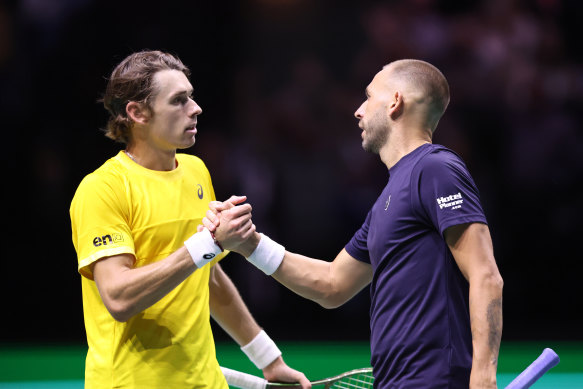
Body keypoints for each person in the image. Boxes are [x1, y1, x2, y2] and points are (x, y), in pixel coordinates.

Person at [204, 59, 504, 388]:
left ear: (395, 101)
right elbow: (332, 285)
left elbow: (485, 275)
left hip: (434, 380)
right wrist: (249, 244)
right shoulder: (387, 201)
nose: (358, 111)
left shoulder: (436, 169)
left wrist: (484, 376)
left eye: (368, 96)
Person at [70, 50, 310, 389]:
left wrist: (268, 359)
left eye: (191, 97)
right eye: (179, 101)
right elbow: (119, 298)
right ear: (137, 112)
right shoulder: (103, 189)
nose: (195, 109)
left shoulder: (196, 171)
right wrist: (207, 243)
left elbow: (208, 277)